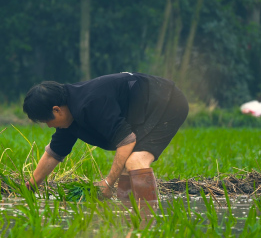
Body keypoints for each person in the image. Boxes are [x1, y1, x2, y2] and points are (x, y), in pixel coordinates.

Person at [22, 72, 188, 206]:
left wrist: (108, 183)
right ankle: (128, 213)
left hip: (167, 102)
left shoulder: (90, 104)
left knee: (134, 163)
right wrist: (31, 186)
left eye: (47, 121)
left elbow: (126, 140)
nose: (49, 126)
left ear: (57, 110)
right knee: (126, 169)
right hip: (144, 111)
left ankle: (146, 221)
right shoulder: (69, 117)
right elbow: (54, 153)